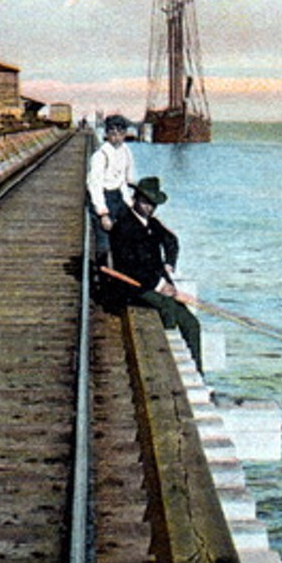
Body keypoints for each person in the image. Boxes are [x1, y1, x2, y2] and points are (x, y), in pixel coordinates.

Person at [109, 176, 202, 371]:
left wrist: (169, 263)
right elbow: (129, 267)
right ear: (136, 199)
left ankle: (198, 372)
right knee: (168, 310)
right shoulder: (123, 227)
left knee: (191, 323)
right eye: (145, 202)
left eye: (153, 204)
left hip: (157, 285)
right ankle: (165, 362)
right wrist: (160, 285)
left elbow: (171, 241)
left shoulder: (152, 224)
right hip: (133, 289)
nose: (149, 207)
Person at [86, 114, 135, 262]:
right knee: (104, 243)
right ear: (106, 134)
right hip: (102, 197)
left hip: (118, 196)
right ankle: (102, 274)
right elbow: (95, 186)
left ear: (125, 134)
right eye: (112, 133)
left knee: (127, 236)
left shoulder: (125, 151)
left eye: (120, 134)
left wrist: (132, 205)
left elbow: (126, 181)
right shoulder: (100, 155)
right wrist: (103, 214)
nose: (117, 138)